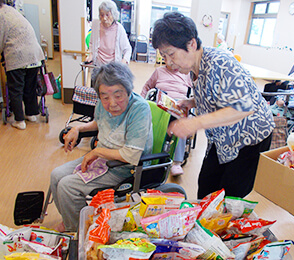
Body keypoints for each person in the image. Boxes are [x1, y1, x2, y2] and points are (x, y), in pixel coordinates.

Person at [152, 12, 275, 199]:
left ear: (191, 44)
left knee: (230, 196)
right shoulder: (194, 67)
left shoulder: (221, 63)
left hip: (249, 139)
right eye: (164, 55)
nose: (168, 62)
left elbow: (244, 106)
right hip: (221, 138)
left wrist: (195, 123)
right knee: (207, 187)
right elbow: (217, 94)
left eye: (171, 54)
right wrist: (192, 102)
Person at [50, 62, 153, 232]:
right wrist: (77, 128)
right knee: (56, 175)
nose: (111, 103)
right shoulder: (102, 104)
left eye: (118, 95)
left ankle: (78, 232)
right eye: (105, 97)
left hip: (123, 167)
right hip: (102, 159)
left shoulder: (139, 109)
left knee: (67, 186)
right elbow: (99, 122)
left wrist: (96, 151)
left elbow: (131, 155)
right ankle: (71, 222)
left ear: (128, 91)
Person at [0, 0, 45, 130]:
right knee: (29, 86)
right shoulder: (11, 11)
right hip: (34, 55)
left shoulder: (1, 14)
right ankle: (31, 113)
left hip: (18, 56)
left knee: (16, 89)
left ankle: (19, 120)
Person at [141, 64, 192, 176]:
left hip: (179, 105)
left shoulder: (185, 72)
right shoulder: (159, 71)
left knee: (182, 123)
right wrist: (141, 101)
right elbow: (147, 87)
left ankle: (177, 163)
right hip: (162, 104)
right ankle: (150, 153)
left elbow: (193, 92)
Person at [86, 0, 132, 65]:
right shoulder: (95, 24)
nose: (104, 18)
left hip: (113, 67)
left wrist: (123, 62)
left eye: (107, 15)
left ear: (113, 15)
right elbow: (91, 44)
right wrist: (90, 55)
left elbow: (127, 49)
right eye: (102, 15)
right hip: (98, 66)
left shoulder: (119, 29)